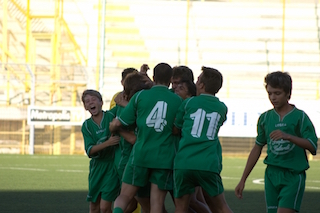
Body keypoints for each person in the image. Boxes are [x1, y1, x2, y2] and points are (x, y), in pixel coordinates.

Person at [235, 71, 318, 213]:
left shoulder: (300, 117)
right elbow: (257, 147)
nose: (273, 97)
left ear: (288, 94)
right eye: (270, 93)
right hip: (271, 175)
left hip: (293, 175)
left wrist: (289, 137)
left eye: (277, 93)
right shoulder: (265, 118)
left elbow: (313, 147)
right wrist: (243, 179)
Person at [110, 62, 183, 213]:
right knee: (156, 204)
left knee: (124, 196)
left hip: (141, 154)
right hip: (164, 157)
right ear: (170, 79)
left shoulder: (140, 96)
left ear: (154, 77)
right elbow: (177, 129)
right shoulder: (178, 100)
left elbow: (119, 122)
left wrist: (113, 126)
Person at [173, 66, 233, 213]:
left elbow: (176, 128)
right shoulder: (222, 108)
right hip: (208, 162)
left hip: (185, 161)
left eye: (198, 79)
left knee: (181, 207)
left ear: (201, 85)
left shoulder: (188, 103)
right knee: (221, 206)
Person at [174, 79, 212, 213]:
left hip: (188, 160)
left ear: (189, 94)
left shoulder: (187, 106)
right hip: (199, 160)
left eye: (181, 88)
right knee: (195, 199)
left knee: (191, 201)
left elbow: (175, 129)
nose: (176, 90)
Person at [81, 89, 121, 213]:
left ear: (101, 102)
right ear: (85, 107)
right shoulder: (86, 126)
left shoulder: (111, 115)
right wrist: (107, 143)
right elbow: (90, 150)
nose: (91, 103)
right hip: (96, 168)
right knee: (94, 207)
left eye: (93, 99)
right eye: (87, 101)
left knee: (105, 207)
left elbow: (126, 94)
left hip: (111, 166)